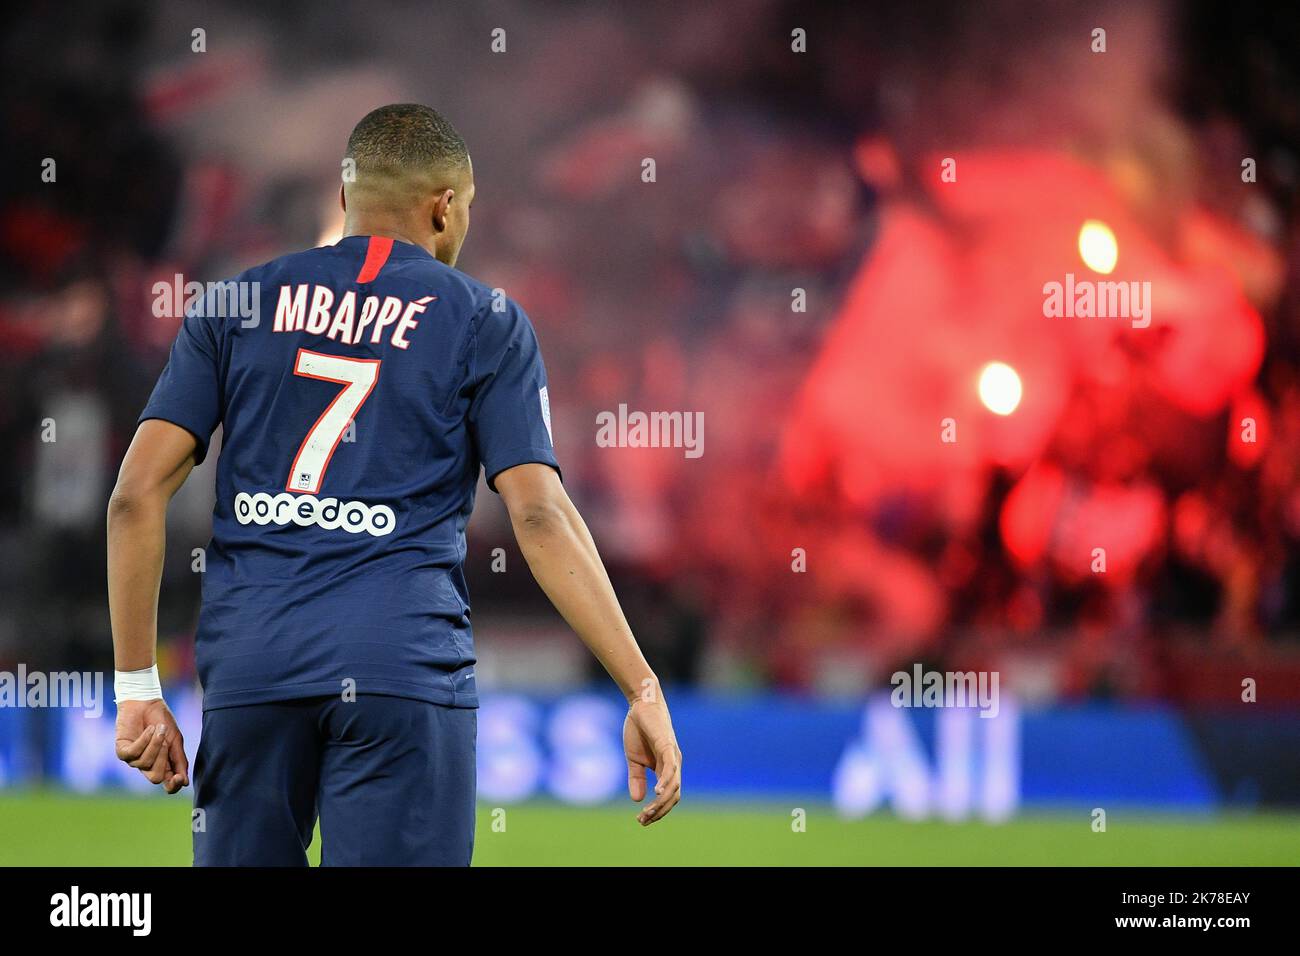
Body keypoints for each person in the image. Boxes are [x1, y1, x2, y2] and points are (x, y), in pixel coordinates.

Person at [106, 103, 681, 866]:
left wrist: (137, 687)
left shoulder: (232, 305)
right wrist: (641, 687)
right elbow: (539, 516)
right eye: (467, 208)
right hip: (399, 669)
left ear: (346, 200)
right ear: (445, 206)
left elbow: (133, 495)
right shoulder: (486, 320)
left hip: (251, 668)